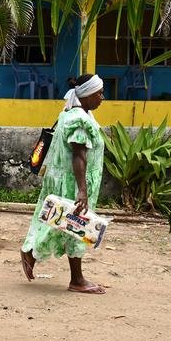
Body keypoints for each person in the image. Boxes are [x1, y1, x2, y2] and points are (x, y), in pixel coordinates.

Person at [20, 73, 106, 294]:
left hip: (63, 180)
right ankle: (73, 278)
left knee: (62, 224)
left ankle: (38, 256)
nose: (102, 98)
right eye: (98, 93)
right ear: (86, 95)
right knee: (73, 226)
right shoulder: (80, 121)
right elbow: (79, 156)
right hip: (73, 183)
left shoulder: (69, 114)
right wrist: (82, 191)